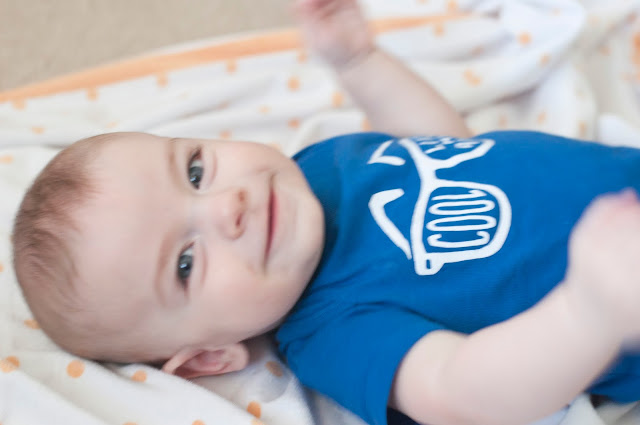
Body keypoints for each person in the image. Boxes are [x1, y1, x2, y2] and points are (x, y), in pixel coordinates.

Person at [11, 0, 640, 424]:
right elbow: (461, 390)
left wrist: (360, 63)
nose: (228, 206)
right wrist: (589, 310)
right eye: (184, 263)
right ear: (208, 357)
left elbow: (444, 148)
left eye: (196, 171)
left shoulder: (316, 168)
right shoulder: (331, 332)